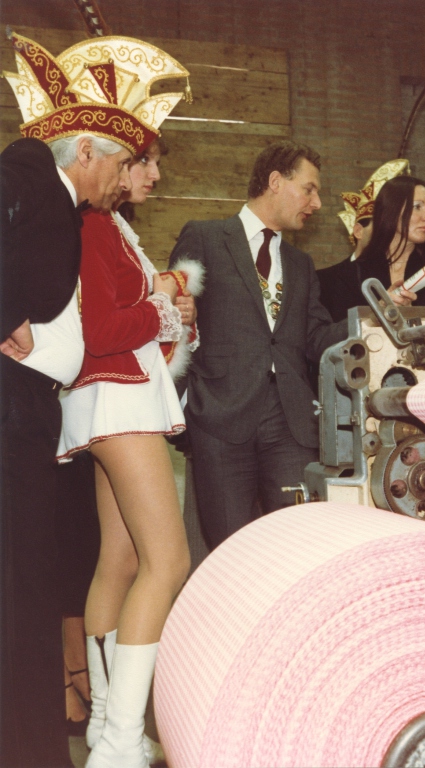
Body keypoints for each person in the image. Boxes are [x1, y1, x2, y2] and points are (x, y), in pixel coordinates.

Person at [1, 30, 192, 768]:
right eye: (131, 161)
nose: (139, 176)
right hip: (113, 399)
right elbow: (106, 326)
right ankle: (116, 740)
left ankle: (113, 724)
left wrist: (164, 310)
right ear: (89, 152)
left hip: (94, 398)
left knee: (117, 559)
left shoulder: (98, 220)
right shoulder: (79, 213)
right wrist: (164, 310)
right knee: (165, 561)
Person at [169, 141, 348, 551]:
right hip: (220, 418)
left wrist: (369, 318)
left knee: (298, 544)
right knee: (231, 548)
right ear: (275, 182)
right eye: (309, 189)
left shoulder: (301, 265)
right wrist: (186, 408)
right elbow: (172, 324)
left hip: (290, 423)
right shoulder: (205, 237)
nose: (317, 203)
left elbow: (317, 339)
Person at [317, 159, 410, 321]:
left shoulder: (401, 273)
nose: (388, 232)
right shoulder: (324, 281)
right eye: (381, 226)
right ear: (358, 231)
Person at [355, 175, 425, 307]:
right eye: (417, 207)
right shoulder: (352, 273)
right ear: (392, 210)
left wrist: (414, 315)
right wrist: (378, 312)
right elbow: (345, 319)